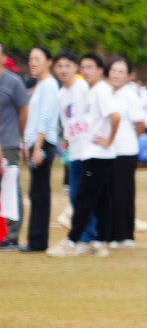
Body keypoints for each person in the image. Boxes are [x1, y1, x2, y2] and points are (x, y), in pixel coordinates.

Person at [48, 52, 114, 258]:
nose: (63, 70)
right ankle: (92, 238)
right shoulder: (60, 95)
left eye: (68, 65)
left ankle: (84, 239)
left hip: (91, 151)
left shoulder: (86, 87)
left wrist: (107, 139)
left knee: (85, 197)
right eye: (59, 66)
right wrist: (67, 143)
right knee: (78, 196)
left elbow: (105, 115)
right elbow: (67, 123)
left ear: (76, 68)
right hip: (75, 151)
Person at [22, 45, 60, 252]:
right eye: (31, 59)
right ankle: (35, 239)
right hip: (35, 142)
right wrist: (27, 143)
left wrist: (37, 146)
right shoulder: (40, 85)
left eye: (37, 59)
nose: (33, 63)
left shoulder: (49, 85)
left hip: (43, 143)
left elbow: (45, 117)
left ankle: (38, 242)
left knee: (40, 193)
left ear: (49, 62)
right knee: (36, 192)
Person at [105, 56, 143, 248]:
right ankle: (111, 234)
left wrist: (131, 139)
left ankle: (125, 235)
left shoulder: (130, 95)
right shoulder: (104, 93)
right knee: (110, 193)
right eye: (114, 70)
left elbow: (141, 123)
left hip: (126, 151)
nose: (116, 75)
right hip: (108, 151)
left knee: (123, 194)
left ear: (128, 76)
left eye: (121, 72)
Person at [0, 44, 30, 250]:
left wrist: (18, 135)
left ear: (4, 58)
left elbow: (24, 111)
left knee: (11, 188)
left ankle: (12, 235)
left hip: (8, 143)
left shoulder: (13, 82)